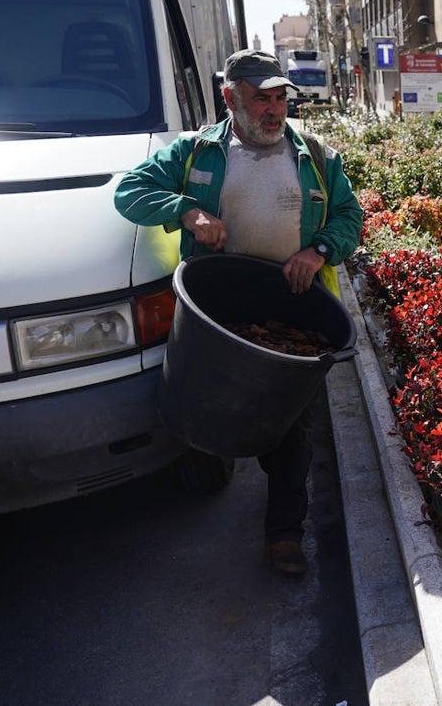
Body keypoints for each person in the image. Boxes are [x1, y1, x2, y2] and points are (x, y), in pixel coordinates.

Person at [114, 49, 363, 576]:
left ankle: (283, 535)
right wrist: (187, 209)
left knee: (292, 427)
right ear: (230, 98)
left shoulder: (316, 154)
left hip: (292, 305)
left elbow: (348, 216)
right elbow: (129, 192)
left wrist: (317, 250)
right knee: (212, 410)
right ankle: (213, 467)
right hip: (218, 309)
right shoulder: (194, 152)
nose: (274, 111)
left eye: (280, 99)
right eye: (260, 98)